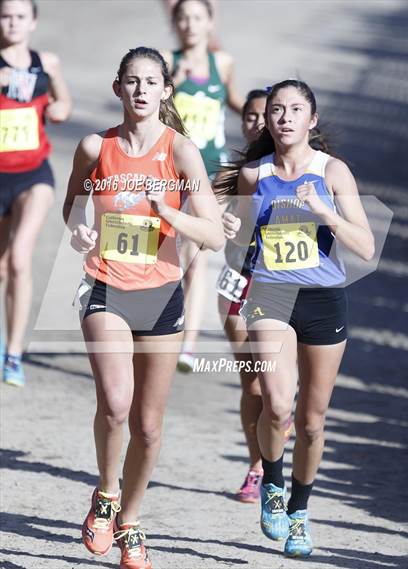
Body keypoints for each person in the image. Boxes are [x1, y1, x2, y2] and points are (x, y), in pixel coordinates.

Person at [63, 46, 223, 569]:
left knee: (149, 426)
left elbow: (214, 234)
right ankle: (106, 494)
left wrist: (165, 212)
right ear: (117, 88)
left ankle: (130, 519)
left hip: (161, 294)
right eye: (131, 81)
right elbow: (72, 207)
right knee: (115, 403)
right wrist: (79, 231)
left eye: (150, 82)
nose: (140, 91)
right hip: (105, 285)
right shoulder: (94, 146)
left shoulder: (181, 153)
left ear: (165, 91)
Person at [220, 79, 374, 557]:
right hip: (271, 294)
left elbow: (366, 247)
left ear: (312, 119)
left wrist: (325, 212)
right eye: (276, 111)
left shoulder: (334, 173)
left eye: (295, 110)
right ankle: (271, 480)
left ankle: (300, 512)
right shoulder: (253, 175)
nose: (284, 117)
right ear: (266, 121)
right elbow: (236, 254)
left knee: (311, 421)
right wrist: (230, 231)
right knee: (279, 403)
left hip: (325, 299)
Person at [217, 89, 293, 503]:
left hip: (288, 287)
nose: (258, 122)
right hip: (239, 281)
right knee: (253, 387)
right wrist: (222, 226)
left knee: (275, 387)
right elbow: (206, 223)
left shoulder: (302, 167)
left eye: (267, 115)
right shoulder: (234, 171)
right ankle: (257, 466)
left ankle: (284, 408)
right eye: (250, 115)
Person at [161, 0, 243, 372]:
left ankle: (187, 346)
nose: (190, 24)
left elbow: (234, 100)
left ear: (211, 22)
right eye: (183, 17)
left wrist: (266, 113)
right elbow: (150, 108)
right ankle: (162, 328)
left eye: (198, 17)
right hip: (172, 172)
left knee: (194, 259)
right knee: (171, 257)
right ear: (174, 23)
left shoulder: (221, 62)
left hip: (212, 175)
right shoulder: (165, 61)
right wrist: (171, 82)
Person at [0, 0, 71, 386]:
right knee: (0, 266)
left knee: (19, 260)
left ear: (33, 22)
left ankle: (13, 354)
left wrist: (57, 109)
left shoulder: (47, 63)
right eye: (5, 15)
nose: (12, 22)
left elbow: (64, 104)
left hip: (33, 175)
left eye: (19, 16)